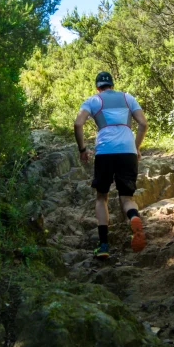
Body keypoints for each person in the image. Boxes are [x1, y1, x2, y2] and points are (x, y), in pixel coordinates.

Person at [73, 71, 148, 259]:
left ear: (97, 87)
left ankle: (104, 245)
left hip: (105, 152)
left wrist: (83, 149)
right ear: (112, 85)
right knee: (127, 198)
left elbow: (77, 123)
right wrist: (136, 147)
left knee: (101, 198)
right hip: (127, 151)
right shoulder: (127, 97)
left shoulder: (93, 100)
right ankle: (133, 217)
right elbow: (143, 124)